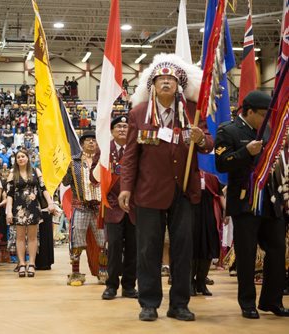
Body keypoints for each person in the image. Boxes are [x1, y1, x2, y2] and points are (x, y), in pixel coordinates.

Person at [119, 54, 212, 322]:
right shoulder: (138, 113)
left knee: (183, 250)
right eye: (161, 79)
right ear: (153, 85)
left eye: (171, 79)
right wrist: (126, 188)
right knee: (148, 249)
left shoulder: (193, 111)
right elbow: (129, 156)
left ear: (179, 84)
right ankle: (148, 303)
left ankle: (179, 304)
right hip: (148, 193)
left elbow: (209, 141)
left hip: (183, 191)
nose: (166, 83)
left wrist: (201, 139)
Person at [215, 90, 289, 318]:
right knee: (246, 255)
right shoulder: (228, 130)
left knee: (277, 249)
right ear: (248, 111)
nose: (266, 117)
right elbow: (221, 163)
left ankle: (271, 300)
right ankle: (247, 302)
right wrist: (244, 152)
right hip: (245, 201)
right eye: (263, 113)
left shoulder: (267, 130)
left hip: (270, 200)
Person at [91, 115, 138, 300]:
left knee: (133, 248)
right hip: (112, 206)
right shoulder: (104, 150)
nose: (122, 129)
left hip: (133, 206)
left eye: (125, 126)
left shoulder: (137, 148)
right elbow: (94, 178)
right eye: (118, 126)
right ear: (111, 131)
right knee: (114, 249)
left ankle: (129, 286)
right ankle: (111, 286)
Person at [62, 131, 106, 286]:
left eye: (94, 140)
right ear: (82, 144)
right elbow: (66, 182)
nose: (92, 143)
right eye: (88, 140)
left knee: (103, 240)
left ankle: (103, 272)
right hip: (80, 206)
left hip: (99, 207)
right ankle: (75, 273)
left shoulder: (103, 160)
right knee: (76, 240)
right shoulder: (73, 162)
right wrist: (63, 169)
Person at [6, 149, 55, 277]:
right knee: (20, 237)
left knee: (33, 237)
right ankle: (22, 264)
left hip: (33, 207)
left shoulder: (35, 171)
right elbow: (9, 194)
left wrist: (50, 203)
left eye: (23, 156)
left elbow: (43, 188)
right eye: (18, 157)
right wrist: (8, 211)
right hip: (18, 208)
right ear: (16, 160)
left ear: (28, 158)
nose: (21, 159)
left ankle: (32, 264)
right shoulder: (12, 173)